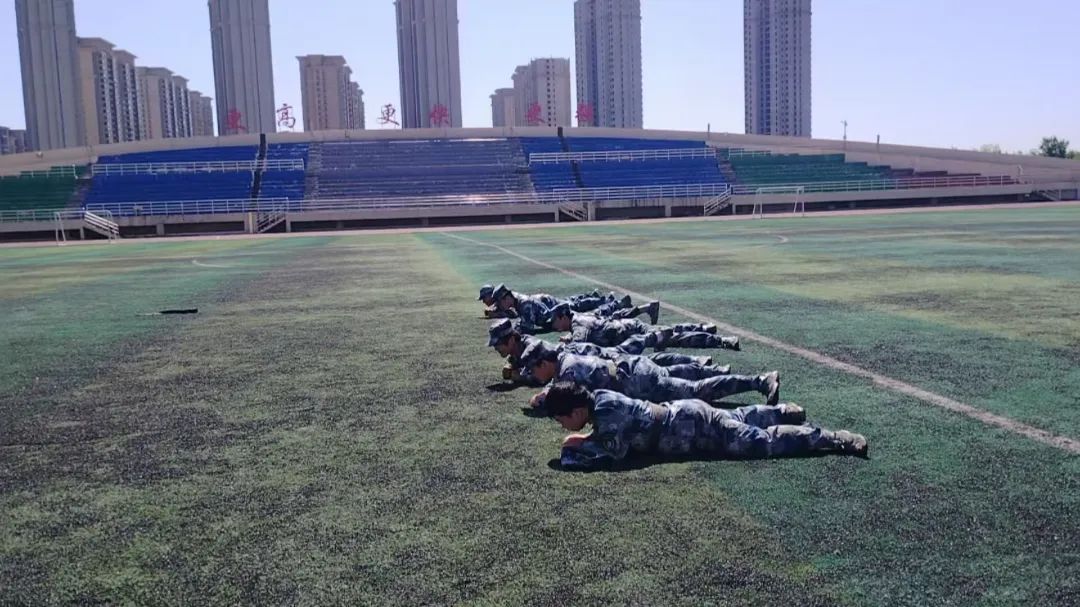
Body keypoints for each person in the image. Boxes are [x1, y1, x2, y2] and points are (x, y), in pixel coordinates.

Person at [535, 381, 869, 471]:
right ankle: (782, 411)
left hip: (693, 427)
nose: (561, 424)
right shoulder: (599, 400)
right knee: (736, 419)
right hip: (687, 416)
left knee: (760, 442)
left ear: (577, 410)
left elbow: (615, 454)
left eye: (561, 418)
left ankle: (833, 438)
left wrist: (577, 442)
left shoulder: (605, 415)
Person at [521, 341, 780, 406]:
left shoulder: (567, 373)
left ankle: (759, 381)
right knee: (682, 377)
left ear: (543, 363)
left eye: (533, 369)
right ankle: (753, 380)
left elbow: (551, 400)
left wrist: (540, 399)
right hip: (634, 368)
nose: (533, 374)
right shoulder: (565, 359)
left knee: (696, 391)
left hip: (638, 382)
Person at [487, 319, 722, 385]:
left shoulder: (530, 348)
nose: (497, 349)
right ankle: (698, 363)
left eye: (499, 344)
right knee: (644, 361)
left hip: (585, 354)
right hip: (581, 355)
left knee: (644, 361)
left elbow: (537, 376)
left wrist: (517, 376)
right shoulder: (519, 349)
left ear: (511, 339)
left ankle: (698, 361)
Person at [549, 305, 739, 352]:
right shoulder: (580, 317)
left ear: (563, 317)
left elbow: (578, 347)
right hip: (628, 328)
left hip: (630, 333)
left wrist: (566, 344)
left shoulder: (578, 324)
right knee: (670, 331)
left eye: (555, 321)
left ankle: (722, 341)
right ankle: (703, 328)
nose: (554, 325)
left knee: (674, 339)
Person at [491, 284, 656, 333]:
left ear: (507, 298)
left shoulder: (523, 304)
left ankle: (620, 304)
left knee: (599, 316)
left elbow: (528, 329)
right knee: (597, 315)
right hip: (558, 317)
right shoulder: (518, 302)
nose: (500, 306)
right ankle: (638, 308)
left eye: (500, 302)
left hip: (560, 319)